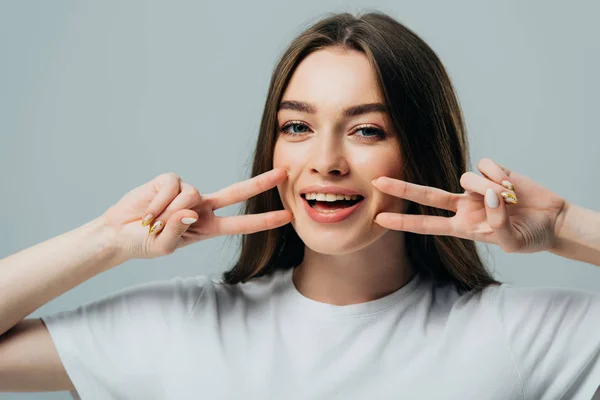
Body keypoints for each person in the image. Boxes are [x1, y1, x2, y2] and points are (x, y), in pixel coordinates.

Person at [0, 11, 598, 400]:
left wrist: (568, 227)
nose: (326, 161)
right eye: (297, 127)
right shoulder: (177, 326)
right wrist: (106, 240)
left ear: (420, 151)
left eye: (367, 131)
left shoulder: (521, 336)